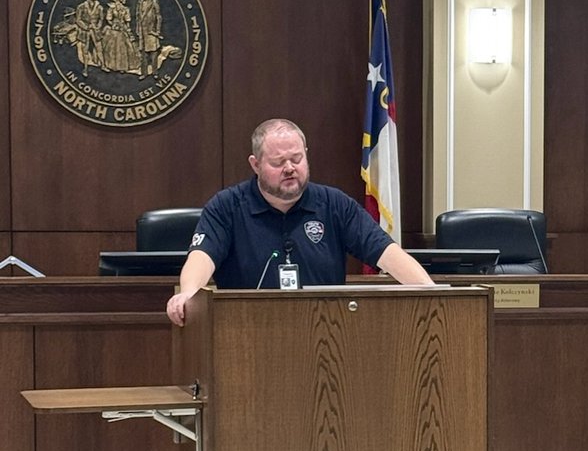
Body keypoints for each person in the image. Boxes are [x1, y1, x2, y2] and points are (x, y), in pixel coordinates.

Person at [166, 118, 433, 325]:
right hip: (247, 333)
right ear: (255, 164)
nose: (290, 168)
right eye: (278, 162)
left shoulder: (334, 204)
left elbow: (387, 253)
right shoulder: (227, 206)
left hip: (327, 331)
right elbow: (201, 257)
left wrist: (433, 292)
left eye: (297, 158)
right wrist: (188, 295)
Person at [134, 0, 162, 78]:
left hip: (151, 32)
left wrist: (157, 30)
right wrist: (138, 29)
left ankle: (155, 72)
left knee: (153, 53)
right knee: (143, 54)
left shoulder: (154, 2)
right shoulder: (139, 3)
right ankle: (144, 73)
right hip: (142, 32)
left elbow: (158, 17)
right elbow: (137, 17)